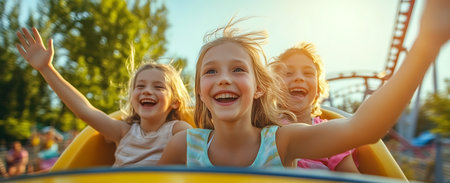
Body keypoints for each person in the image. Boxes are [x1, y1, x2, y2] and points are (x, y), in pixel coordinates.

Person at [158, 0, 450, 168]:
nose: (223, 78)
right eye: (210, 72)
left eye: (237, 69)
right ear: (199, 90)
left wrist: (425, 46)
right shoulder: (183, 145)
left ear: (259, 87)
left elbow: (364, 128)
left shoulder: (283, 140)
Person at [16, 28, 193, 167]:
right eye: (140, 86)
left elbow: (203, 150)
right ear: (132, 97)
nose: (147, 91)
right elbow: (85, 110)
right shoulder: (123, 131)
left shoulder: (177, 129)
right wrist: (46, 69)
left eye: (158, 87)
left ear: (175, 102)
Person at [269, 42, 359, 173]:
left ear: (318, 89)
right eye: (288, 73)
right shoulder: (264, 125)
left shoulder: (329, 133)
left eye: (308, 73)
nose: (299, 78)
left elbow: (352, 180)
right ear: (274, 86)